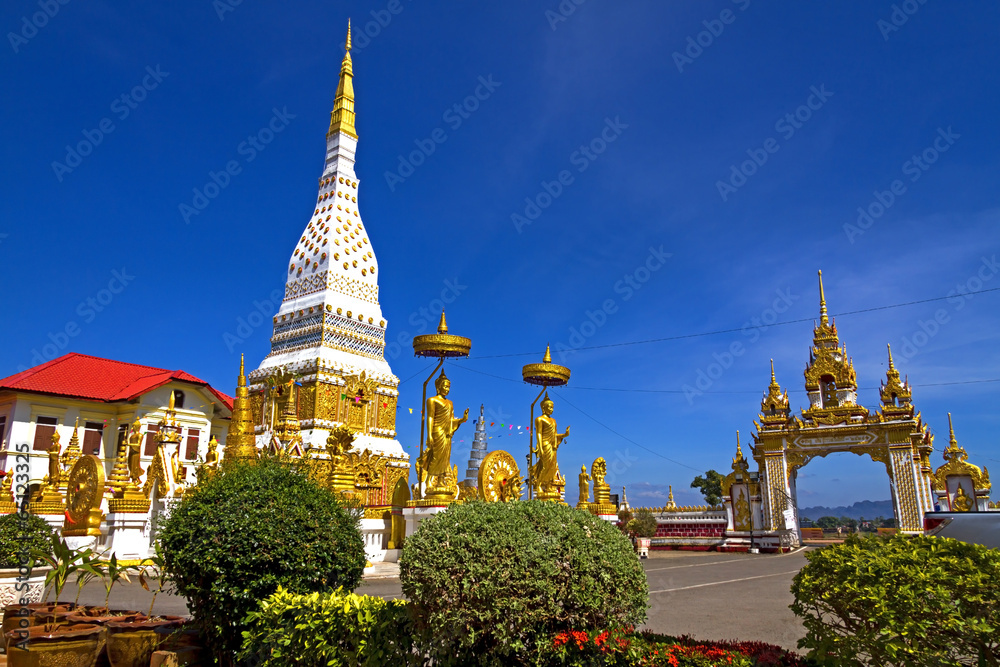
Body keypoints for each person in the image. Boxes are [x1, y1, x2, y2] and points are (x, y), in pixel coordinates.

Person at [419, 371, 468, 492]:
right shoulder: (432, 400)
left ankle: (441, 480)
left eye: (448, 387)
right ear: (438, 386)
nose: (447, 389)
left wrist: (463, 419)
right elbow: (430, 417)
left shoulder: (450, 403)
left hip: (447, 433)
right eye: (445, 386)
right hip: (437, 431)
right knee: (435, 456)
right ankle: (429, 480)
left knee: (445, 458)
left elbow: (451, 419)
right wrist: (429, 435)